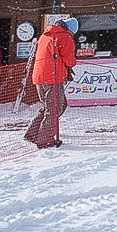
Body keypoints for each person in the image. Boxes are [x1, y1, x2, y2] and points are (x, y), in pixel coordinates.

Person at [24, 17, 78, 149]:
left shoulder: (46, 34)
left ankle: (33, 133)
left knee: (51, 106)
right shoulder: (65, 36)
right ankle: (45, 139)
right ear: (71, 30)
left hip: (39, 76)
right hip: (52, 76)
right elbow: (69, 59)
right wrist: (71, 65)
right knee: (55, 108)